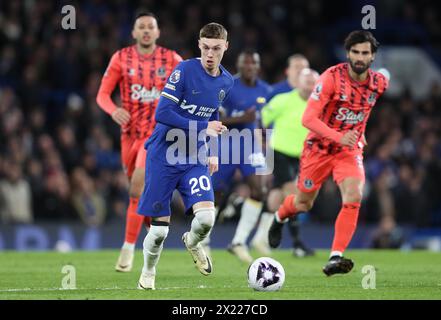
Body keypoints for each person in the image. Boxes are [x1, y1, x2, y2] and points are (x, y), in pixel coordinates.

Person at [268, 30, 389, 276]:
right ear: (348, 53)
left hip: (348, 150)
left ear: (373, 56)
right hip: (319, 148)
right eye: (355, 52)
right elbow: (308, 118)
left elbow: (363, 108)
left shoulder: (378, 83)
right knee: (303, 203)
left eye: (365, 53)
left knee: (354, 194)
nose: (359, 57)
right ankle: (280, 216)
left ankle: (335, 256)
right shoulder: (331, 78)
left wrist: (359, 131)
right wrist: (339, 135)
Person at [136, 23, 233, 290]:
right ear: (199, 46)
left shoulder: (227, 81)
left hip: (193, 156)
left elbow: (211, 112)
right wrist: (205, 128)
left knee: (206, 219)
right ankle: (148, 272)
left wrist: (211, 151)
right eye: (205, 48)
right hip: (163, 154)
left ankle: (192, 241)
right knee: (158, 232)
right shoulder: (184, 71)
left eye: (215, 48)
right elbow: (162, 114)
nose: (210, 54)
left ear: (226, 47)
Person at [96, 11, 182, 272]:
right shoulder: (121, 58)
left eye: (150, 27)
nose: (146, 31)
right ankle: (149, 237)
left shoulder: (172, 59)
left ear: (157, 32)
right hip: (129, 137)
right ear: (133, 32)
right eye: (141, 27)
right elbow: (102, 95)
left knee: (137, 187)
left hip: (157, 136)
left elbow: (190, 89)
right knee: (139, 194)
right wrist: (113, 110)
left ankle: (127, 248)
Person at [210, 50, 272, 263]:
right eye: (245, 63)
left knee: (260, 190)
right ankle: (203, 240)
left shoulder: (266, 90)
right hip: (226, 143)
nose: (249, 67)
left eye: (253, 63)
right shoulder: (227, 86)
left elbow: (265, 120)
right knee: (216, 193)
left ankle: (238, 241)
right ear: (238, 66)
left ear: (258, 66)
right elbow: (215, 119)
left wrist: (266, 138)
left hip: (250, 145)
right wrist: (242, 118)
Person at [261, 68, 319, 257]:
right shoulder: (283, 100)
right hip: (280, 152)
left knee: (276, 198)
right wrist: (261, 144)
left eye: (313, 82)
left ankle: (260, 231)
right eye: (306, 81)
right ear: (298, 83)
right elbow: (261, 119)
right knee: (293, 193)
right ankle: (297, 243)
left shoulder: (321, 105)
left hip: (304, 157)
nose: (310, 86)